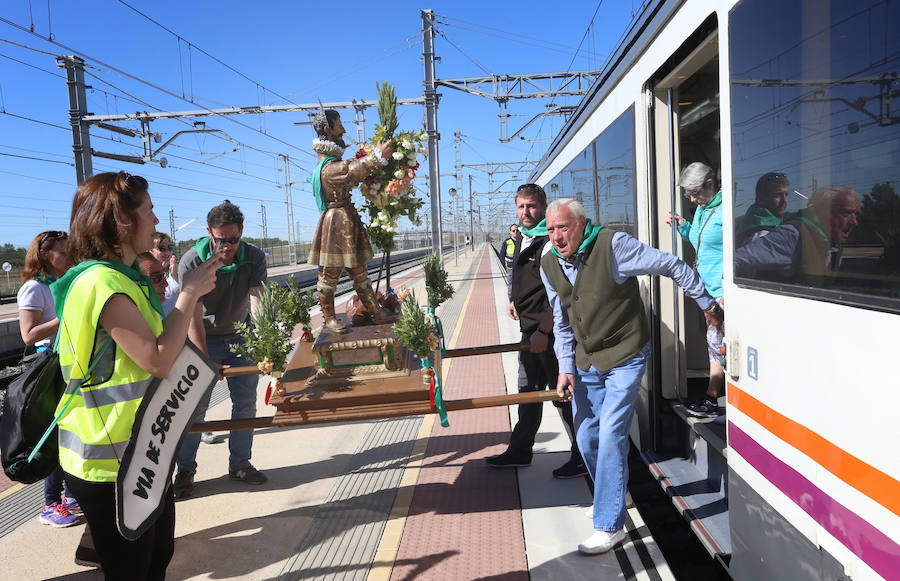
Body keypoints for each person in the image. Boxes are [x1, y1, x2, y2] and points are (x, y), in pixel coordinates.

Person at [52, 171, 219, 579]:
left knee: (156, 559)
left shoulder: (120, 278)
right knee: (133, 571)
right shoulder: (103, 283)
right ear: (121, 222)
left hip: (142, 452)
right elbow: (158, 359)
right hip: (109, 461)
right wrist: (189, 293)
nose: (157, 221)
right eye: (149, 211)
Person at [540, 198, 721, 555]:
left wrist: (707, 303)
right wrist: (564, 367)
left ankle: (610, 525)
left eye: (564, 227)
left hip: (625, 354)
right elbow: (561, 320)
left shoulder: (613, 245)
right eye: (551, 229)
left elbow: (671, 264)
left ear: (581, 223)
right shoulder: (549, 261)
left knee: (610, 433)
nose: (557, 237)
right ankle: (615, 493)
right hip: (586, 359)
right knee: (587, 437)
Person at [486, 185, 585, 479]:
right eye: (521, 207)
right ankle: (520, 450)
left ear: (542, 207)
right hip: (530, 330)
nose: (525, 212)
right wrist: (514, 300)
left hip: (549, 334)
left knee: (563, 395)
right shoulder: (527, 239)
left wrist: (544, 329)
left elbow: (565, 294)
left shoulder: (550, 242)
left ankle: (583, 456)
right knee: (527, 392)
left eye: (531, 206)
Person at [174, 200, 268, 498]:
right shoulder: (191, 261)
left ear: (241, 232)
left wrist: (265, 343)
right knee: (194, 407)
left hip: (240, 335)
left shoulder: (253, 257)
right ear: (209, 233)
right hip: (203, 337)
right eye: (220, 240)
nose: (226, 247)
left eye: (233, 240)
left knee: (245, 403)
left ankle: (240, 464)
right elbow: (192, 314)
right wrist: (203, 359)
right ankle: (185, 469)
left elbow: (258, 301)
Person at [308, 109, 394, 334]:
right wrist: (376, 157)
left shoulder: (329, 163)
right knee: (330, 274)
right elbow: (349, 171)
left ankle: (376, 313)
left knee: (359, 272)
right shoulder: (327, 168)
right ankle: (328, 318)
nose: (343, 129)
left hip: (344, 220)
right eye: (339, 125)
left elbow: (350, 169)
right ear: (328, 130)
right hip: (335, 224)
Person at [17, 230, 82, 528]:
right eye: (63, 251)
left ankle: (69, 495)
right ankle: (50, 502)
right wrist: (65, 317)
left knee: (71, 431)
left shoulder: (66, 282)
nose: (69, 256)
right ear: (44, 254)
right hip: (49, 363)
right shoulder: (34, 288)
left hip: (69, 360)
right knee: (57, 432)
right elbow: (28, 335)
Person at [666, 162, 725, 418]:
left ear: (710, 184)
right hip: (708, 289)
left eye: (694, 192)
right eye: (688, 193)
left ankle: (715, 397)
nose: (691, 198)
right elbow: (700, 238)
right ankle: (713, 397)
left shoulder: (725, 210)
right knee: (715, 343)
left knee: (720, 345)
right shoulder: (703, 209)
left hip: (723, 290)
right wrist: (683, 226)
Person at [735, 186, 861, 281]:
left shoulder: (830, 243)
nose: (854, 222)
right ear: (823, 211)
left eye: (856, 215)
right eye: (846, 214)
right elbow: (735, 260)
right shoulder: (792, 236)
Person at [734, 172, 790, 247]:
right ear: (761, 198)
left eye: (786, 194)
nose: (784, 201)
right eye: (777, 195)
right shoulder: (761, 234)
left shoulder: (750, 221)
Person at [150, 232, 179, 316]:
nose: (167, 252)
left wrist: (176, 277)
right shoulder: (146, 275)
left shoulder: (175, 272)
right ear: (150, 251)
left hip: (178, 323)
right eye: (162, 249)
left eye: (169, 248)